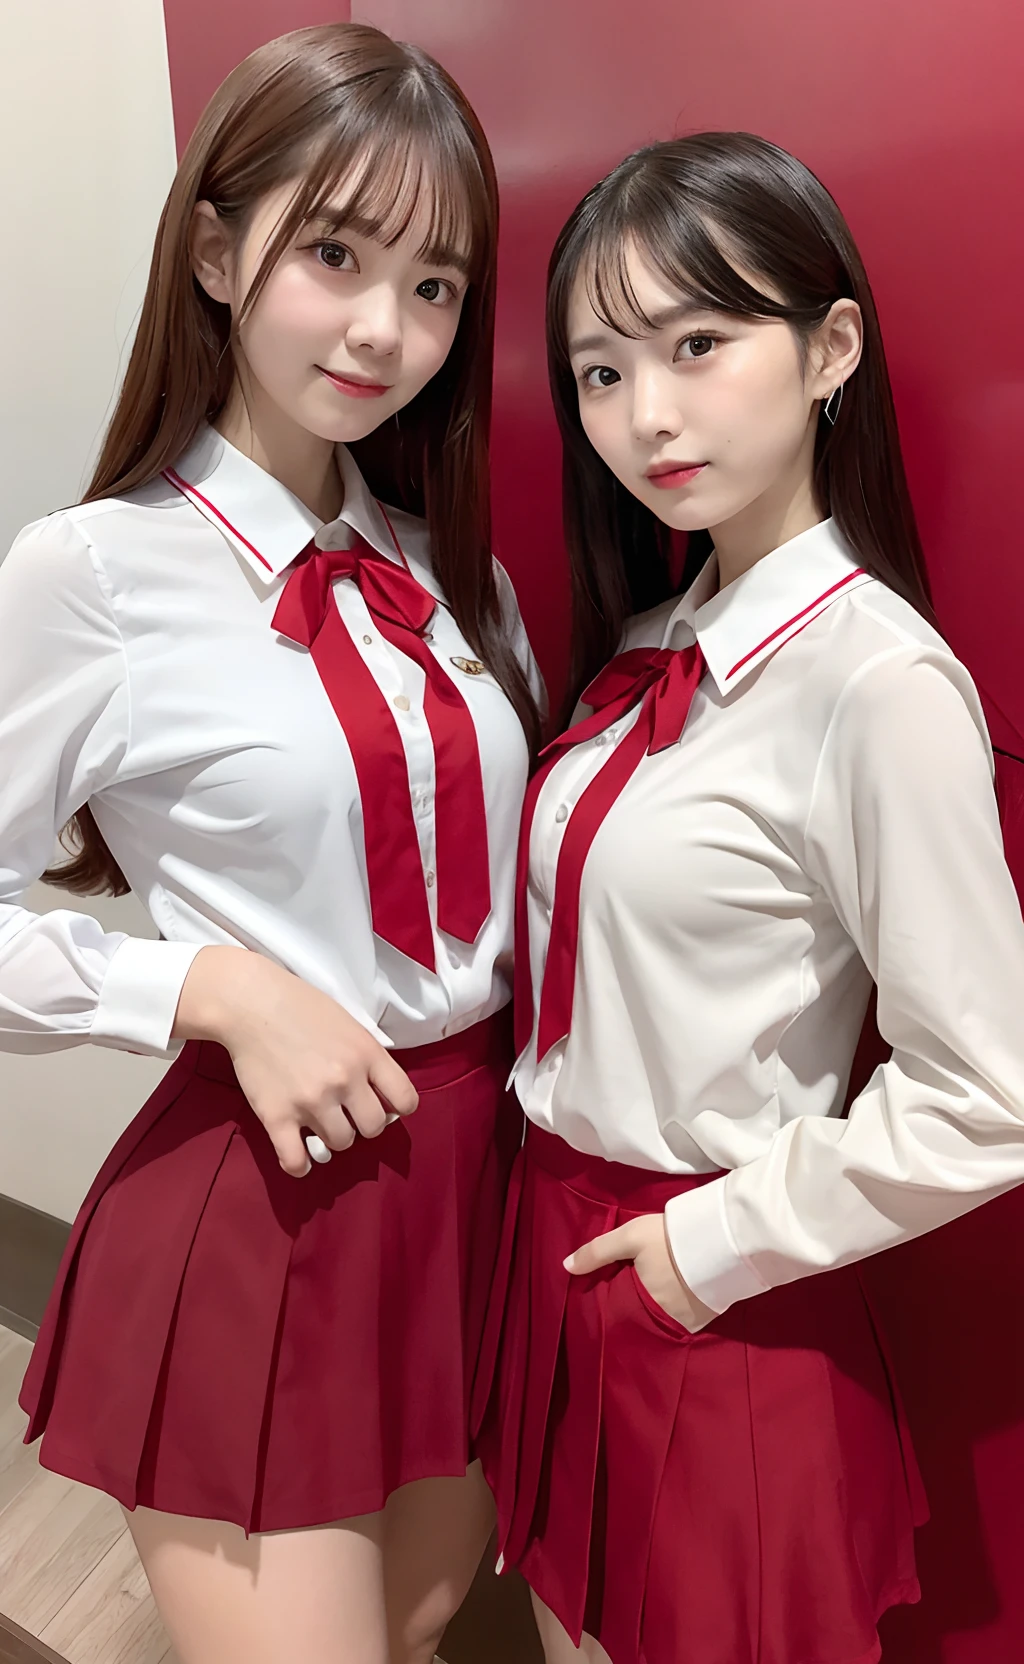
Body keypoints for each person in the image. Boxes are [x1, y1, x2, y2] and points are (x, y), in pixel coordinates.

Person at [1, 23, 542, 1664]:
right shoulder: (95, 572)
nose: (388, 326)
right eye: (333, 251)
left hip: (473, 1185)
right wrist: (207, 987)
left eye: (437, 283)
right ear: (221, 248)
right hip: (265, 1201)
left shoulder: (453, 565)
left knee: (426, 1619)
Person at [471, 131, 1024, 1664]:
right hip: (559, 1264)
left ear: (829, 347)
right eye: (598, 370)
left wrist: (699, 1253)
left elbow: (993, 1094)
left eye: (699, 344)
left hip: (718, 1297)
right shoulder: (650, 638)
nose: (646, 413)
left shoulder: (879, 680)